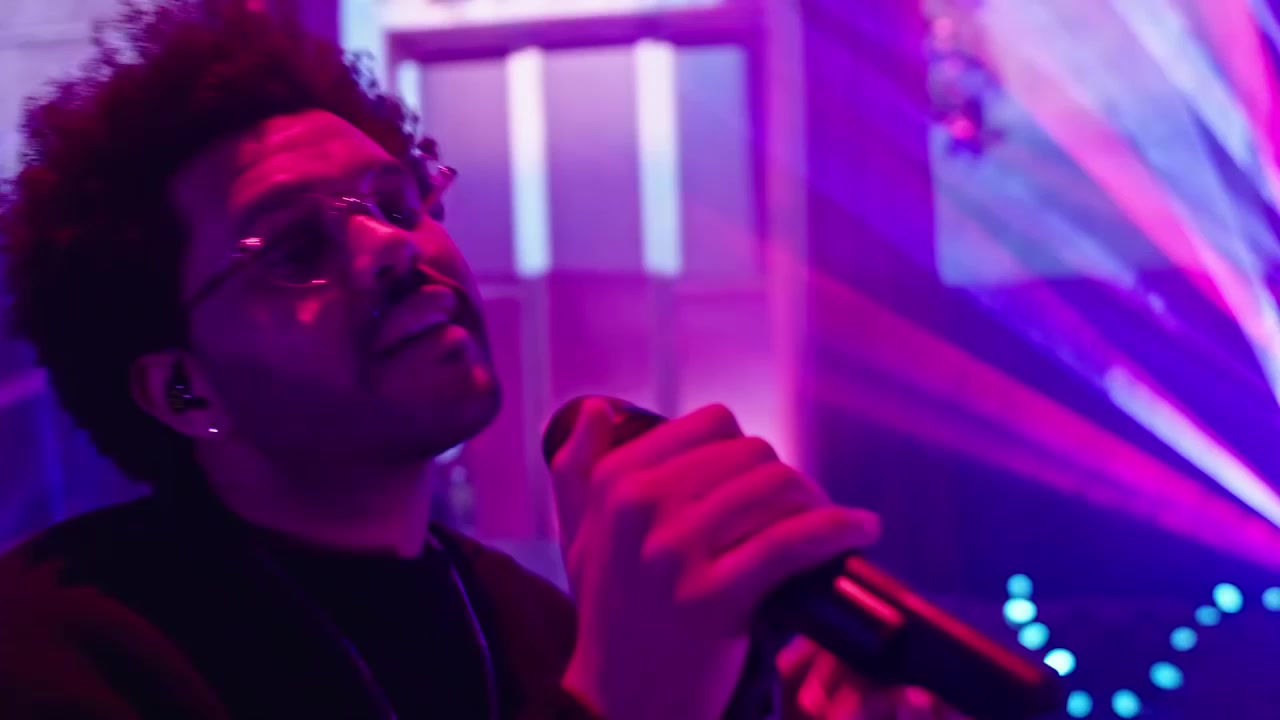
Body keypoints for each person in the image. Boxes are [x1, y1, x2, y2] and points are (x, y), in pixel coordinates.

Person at [0, 2, 959, 719]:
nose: (392, 245)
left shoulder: (532, 623)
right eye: (295, 249)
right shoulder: (61, 649)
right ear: (183, 387)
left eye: (399, 201)